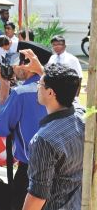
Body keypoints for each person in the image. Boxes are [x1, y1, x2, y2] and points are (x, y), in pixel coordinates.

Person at [24, 63, 84, 210]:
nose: (38, 87)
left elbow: (37, 195)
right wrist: (41, 70)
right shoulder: (82, 115)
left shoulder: (44, 140)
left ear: (50, 93)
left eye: (40, 84)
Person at [0, 49, 47, 210]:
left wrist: (4, 86)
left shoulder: (21, 93)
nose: (13, 68)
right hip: (60, 171)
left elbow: (1, 127)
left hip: (30, 172)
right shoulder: (59, 91)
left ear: (27, 65)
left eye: (15, 63)